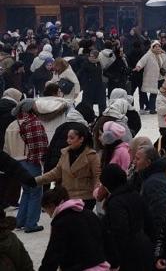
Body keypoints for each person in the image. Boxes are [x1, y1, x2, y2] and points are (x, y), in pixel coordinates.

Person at [39, 186, 110, 271]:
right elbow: (106, 240)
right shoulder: (89, 214)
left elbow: (53, 254)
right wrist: (114, 263)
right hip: (101, 266)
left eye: (45, 210)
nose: (49, 215)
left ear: (51, 206)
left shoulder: (61, 223)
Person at [99, 164, 155, 271]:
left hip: (129, 256)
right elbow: (149, 223)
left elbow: (120, 232)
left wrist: (114, 261)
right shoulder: (135, 194)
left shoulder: (116, 203)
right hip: (144, 248)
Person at [4, 99, 47, 232]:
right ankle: (31, 224)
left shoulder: (11, 125)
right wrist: (41, 160)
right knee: (35, 192)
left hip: (15, 163)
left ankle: (20, 221)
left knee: (27, 192)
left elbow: (6, 148)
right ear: (30, 108)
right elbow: (39, 145)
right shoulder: (33, 122)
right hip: (30, 161)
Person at [35, 124, 100, 209]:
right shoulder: (65, 153)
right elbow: (56, 172)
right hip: (66, 197)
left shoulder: (91, 155)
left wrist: (97, 192)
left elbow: (97, 176)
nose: (68, 141)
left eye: (71, 138)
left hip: (85, 199)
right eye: (67, 138)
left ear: (81, 139)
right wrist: (36, 180)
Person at [133, 145, 166, 237]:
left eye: (137, 159)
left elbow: (158, 213)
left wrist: (151, 237)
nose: (134, 162)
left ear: (148, 163)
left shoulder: (155, 182)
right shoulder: (150, 177)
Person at [134, 41, 166, 114]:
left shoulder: (162, 55)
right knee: (153, 92)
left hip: (161, 76)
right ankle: (152, 109)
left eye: (158, 46)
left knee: (164, 92)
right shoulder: (149, 54)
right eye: (156, 46)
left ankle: (165, 107)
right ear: (152, 47)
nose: (157, 48)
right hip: (151, 76)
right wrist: (138, 67)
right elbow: (142, 61)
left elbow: (165, 65)